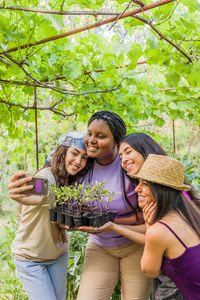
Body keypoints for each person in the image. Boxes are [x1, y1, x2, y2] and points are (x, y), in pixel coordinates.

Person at [98, 154, 200, 300]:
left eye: (145, 184)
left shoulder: (158, 230)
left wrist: (150, 227)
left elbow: (149, 271)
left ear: (161, 189)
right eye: (139, 182)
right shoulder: (187, 214)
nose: (137, 189)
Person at [75, 111, 151, 300]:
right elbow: (53, 172)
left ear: (116, 141)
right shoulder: (81, 163)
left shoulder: (129, 164)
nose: (91, 140)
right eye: (90, 133)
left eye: (100, 136)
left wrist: (110, 222)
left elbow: (149, 217)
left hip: (135, 246)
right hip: (100, 247)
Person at [8, 132, 90, 300]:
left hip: (58, 255)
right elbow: (35, 193)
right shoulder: (45, 178)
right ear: (62, 152)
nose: (78, 161)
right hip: (30, 259)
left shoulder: (68, 181)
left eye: (84, 157)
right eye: (74, 153)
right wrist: (18, 194)